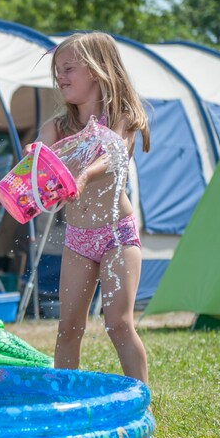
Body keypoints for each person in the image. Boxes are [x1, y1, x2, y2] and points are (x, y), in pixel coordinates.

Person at [33, 32, 150, 384]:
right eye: (57, 70)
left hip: (118, 235)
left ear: (98, 72)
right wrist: (35, 161)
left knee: (118, 324)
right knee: (68, 327)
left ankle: (141, 402)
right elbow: (39, 157)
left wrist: (82, 175)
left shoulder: (123, 117)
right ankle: (64, 402)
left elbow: (112, 155)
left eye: (69, 68)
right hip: (79, 239)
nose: (60, 77)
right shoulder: (56, 126)